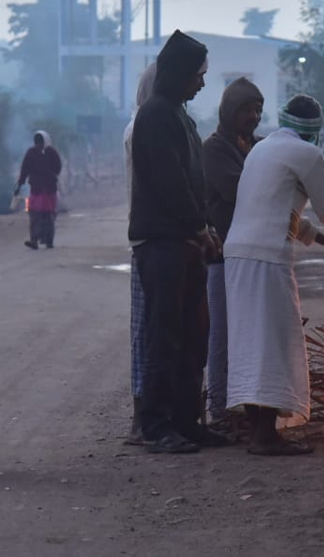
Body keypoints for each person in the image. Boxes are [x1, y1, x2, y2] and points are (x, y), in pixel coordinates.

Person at [224, 95, 324, 456]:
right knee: (274, 341)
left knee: (251, 343)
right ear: (314, 130)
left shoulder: (261, 150)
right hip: (267, 257)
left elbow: (278, 209)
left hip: (238, 253)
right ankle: (266, 436)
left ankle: (258, 428)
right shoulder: (307, 154)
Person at [129, 30, 227, 454]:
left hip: (185, 242)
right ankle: (156, 425)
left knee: (193, 337)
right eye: (198, 75)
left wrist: (206, 225)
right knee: (164, 336)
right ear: (181, 73)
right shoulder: (155, 116)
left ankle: (188, 421)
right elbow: (170, 182)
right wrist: (198, 226)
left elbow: (195, 182)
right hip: (163, 243)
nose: (203, 83)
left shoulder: (180, 116)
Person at [201, 77, 265, 428]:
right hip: (222, 257)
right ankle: (220, 409)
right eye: (245, 110)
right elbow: (241, 189)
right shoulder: (214, 149)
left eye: (257, 110)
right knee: (222, 336)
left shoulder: (255, 146)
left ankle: (243, 405)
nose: (253, 117)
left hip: (251, 255)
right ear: (228, 111)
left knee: (247, 334)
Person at [123, 62, 157, 445]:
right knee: (146, 331)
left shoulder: (142, 125)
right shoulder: (142, 128)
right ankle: (140, 417)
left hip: (144, 237)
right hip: (148, 239)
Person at [15, 130, 62, 250]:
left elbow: (58, 167)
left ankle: (48, 240)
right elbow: (24, 170)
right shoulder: (31, 153)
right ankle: (34, 240)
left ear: (45, 141)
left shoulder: (51, 153)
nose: (38, 144)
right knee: (35, 216)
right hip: (36, 190)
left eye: (40, 141)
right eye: (37, 142)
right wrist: (19, 185)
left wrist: (51, 175)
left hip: (49, 190)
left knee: (48, 216)